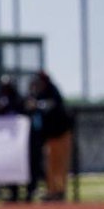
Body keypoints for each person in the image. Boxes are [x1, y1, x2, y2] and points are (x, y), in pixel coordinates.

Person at [25, 70, 73, 201]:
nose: (36, 84)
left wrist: (38, 105)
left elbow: (53, 105)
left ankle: (60, 192)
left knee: (60, 165)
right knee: (49, 165)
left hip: (62, 134)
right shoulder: (36, 93)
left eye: (38, 82)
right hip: (49, 136)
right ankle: (52, 192)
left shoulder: (52, 90)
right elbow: (28, 106)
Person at [0, 75, 26, 201]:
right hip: (2, 140)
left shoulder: (17, 99)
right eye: (4, 86)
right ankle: (9, 192)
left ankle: (21, 192)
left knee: (18, 164)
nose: (6, 89)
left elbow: (23, 109)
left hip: (17, 139)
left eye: (8, 86)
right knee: (5, 164)